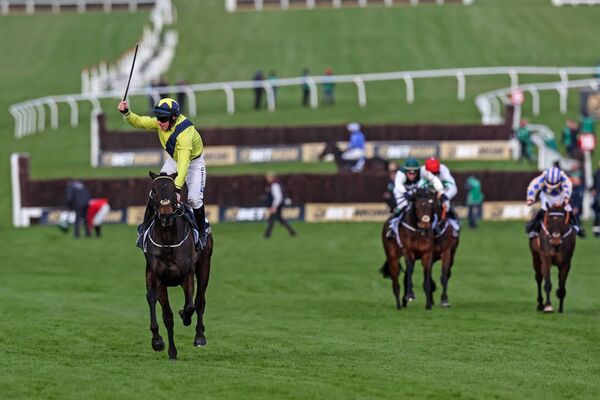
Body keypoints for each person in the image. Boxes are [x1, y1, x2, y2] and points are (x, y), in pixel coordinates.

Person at [117, 97, 208, 250]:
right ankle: (145, 228)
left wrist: (177, 189)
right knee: (157, 190)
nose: (159, 122)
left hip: (193, 163)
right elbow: (140, 122)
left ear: (174, 117)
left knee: (194, 200)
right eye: (158, 117)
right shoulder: (162, 122)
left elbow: (184, 164)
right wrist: (127, 112)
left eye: (163, 119)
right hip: (174, 159)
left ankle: (202, 232)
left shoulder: (185, 133)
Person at [385, 157, 444, 240]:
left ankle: (434, 226)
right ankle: (392, 228)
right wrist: (405, 193)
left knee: (427, 205)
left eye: (414, 173)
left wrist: (440, 190)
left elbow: (434, 179)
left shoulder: (423, 172)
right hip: (401, 190)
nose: (412, 175)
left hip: (415, 188)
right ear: (405, 171)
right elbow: (398, 185)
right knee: (403, 205)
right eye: (409, 173)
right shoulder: (400, 174)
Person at [525, 166, 585, 237]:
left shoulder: (565, 179)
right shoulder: (541, 178)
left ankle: (576, 226)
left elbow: (568, 189)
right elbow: (533, 187)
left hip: (561, 196)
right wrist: (530, 198)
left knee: (568, 209)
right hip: (546, 196)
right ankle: (534, 228)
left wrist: (566, 198)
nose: (552, 186)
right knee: (543, 210)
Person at [263, 172, 296, 238]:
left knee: (271, 219)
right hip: (278, 205)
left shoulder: (274, 185)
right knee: (280, 220)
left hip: (277, 205)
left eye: (268, 177)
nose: (267, 179)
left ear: (272, 177)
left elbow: (278, 197)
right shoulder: (274, 184)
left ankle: (267, 235)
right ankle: (292, 232)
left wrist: (274, 207)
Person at [591, 160, 600, 238]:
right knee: (597, 214)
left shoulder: (596, 173)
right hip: (598, 195)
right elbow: (594, 184)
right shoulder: (597, 173)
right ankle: (596, 231)